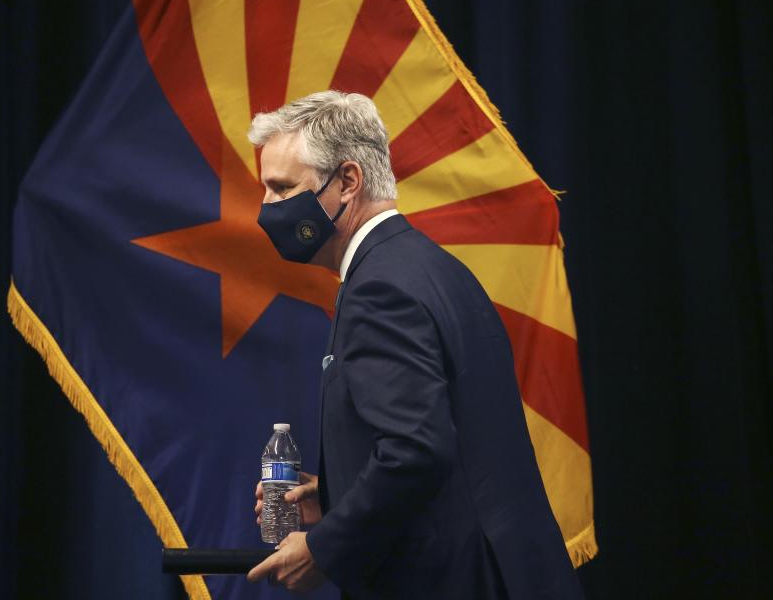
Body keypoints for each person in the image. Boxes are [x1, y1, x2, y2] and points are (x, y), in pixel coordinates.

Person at [245, 91, 583, 599]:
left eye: (282, 187)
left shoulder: (380, 289)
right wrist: (335, 493)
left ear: (348, 181)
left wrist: (326, 546)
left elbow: (415, 449)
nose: (267, 208)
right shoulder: (431, 267)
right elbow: (444, 443)